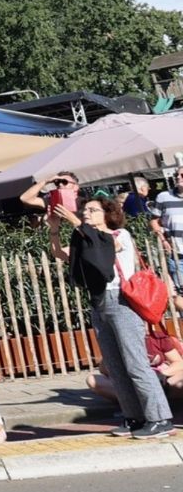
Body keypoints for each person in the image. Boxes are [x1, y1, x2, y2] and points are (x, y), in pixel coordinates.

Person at [27, 178, 175, 440]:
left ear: (108, 214)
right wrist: (53, 229)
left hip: (121, 300)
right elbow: (62, 254)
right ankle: (134, 417)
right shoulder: (86, 237)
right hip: (99, 302)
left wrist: (76, 223)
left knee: (135, 363)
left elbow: (107, 246)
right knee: (116, 366)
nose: (86, 213)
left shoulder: (120, 235)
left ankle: (160, 418)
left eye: (93, 210)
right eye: (85, 210)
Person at [88, 325, 183, 415]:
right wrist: (111, 351)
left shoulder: (157, 337)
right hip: (133, 385)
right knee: (93, 380)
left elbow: (179, 362)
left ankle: (156, 400)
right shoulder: (119, 341)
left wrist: (161, 375)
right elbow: (104, 370)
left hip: (162, 381)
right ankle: (138, 404)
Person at [151, 171, 183, 292]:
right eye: (176, 175)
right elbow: (154, 221)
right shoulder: (163, 197)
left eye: (182, 175)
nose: (178, 177)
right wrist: (163, 239)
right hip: (176, 254)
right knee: (181, 293)